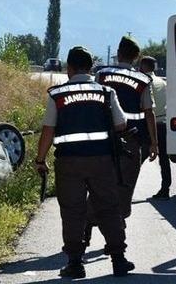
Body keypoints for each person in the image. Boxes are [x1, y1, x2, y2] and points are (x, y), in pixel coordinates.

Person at [34, 46, 136, 279]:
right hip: (102, 161)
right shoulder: (106, 92)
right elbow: (120, 124)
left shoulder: (57, 95)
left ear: (68, 68)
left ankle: (75, 263)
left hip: (69, 162)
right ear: (90, 68)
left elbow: (48, 131)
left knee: (73, 211)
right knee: (109, 208)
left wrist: (40, 160)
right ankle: (119, 260)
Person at [94, 36, 158, 220]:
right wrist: (154, 143)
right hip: (132, 141)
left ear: (119, 53)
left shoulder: (102, 75)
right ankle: (118, 225)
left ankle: (90, 224)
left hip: (104, 138)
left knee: (100, 183)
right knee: (125, 185)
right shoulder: (143, 80)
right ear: (136, 57)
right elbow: (149, 113)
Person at [139, 56, 171, 200]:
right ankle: (165, 189)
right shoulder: (163, 83)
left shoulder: (141, 83)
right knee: (164, 158)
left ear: (143, 66)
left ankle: (125, 187)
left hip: (147, 125)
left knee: (137, 158)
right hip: (162, 124)